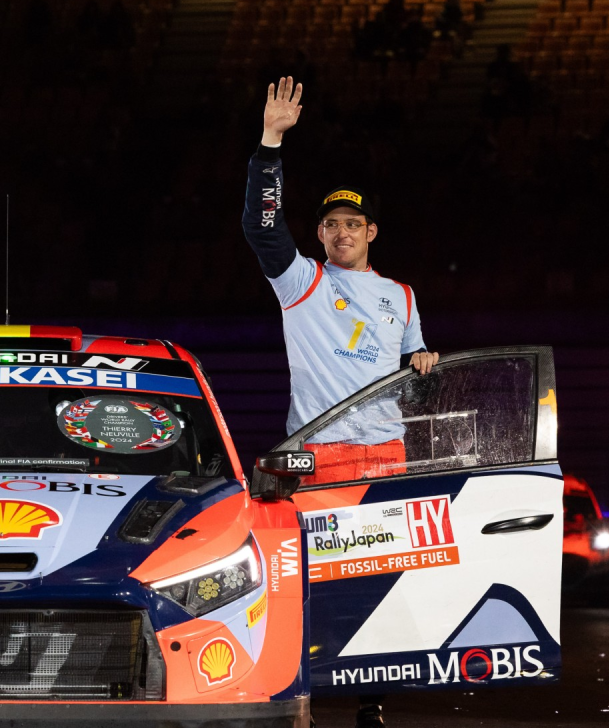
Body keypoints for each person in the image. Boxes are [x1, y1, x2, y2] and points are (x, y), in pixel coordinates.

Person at [240, 77, 439, 727]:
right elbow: (260, 227)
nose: (343, 231)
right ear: (320, 234)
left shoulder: (402, 296)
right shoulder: (301, 281)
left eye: (354, 223)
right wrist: (271, 144)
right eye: (332, 224)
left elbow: (414, 368)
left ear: (371, 231)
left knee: (377, 581)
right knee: (309, 580)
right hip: (319, 456)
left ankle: (371, 702)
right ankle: (298, 695)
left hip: (386, 455)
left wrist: (424, 364)